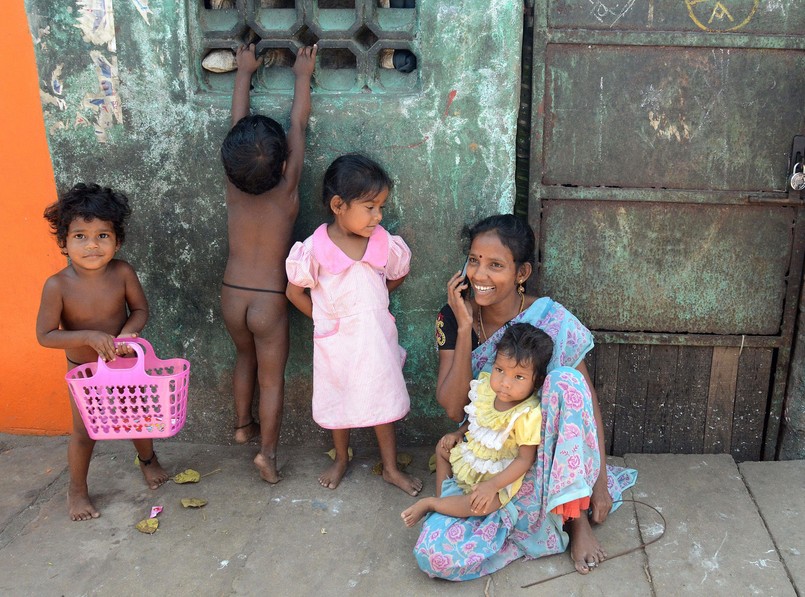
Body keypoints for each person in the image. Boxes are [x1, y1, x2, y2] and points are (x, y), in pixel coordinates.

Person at [414, 214, 638, 579]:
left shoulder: (550, 319)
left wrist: (598, 485)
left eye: (495, 265)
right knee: (434, 558)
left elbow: (583, 403)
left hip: (541, 460)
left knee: (565, 380)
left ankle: (574, 519)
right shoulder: (452, 316)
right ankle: (527, 524)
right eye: (473, 261)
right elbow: (455, 407)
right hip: (486, 457)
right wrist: (466, 326)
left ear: (521, 273)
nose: (479, 276)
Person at [285, 154, 422, 496]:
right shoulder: (314, 249)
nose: (378, 216)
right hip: (336, 342)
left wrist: (377, 303)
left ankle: (390, 467)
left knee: (383, 399)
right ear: (338, 205)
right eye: (371, 207)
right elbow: (293, 292)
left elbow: (397, 274)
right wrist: (325, 318)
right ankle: (341, 457)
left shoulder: (382, 243)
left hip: (375, 338)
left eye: (381, 207)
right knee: (339, 397)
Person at [35, 183, 168, 521]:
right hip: (86, 375)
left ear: (117, 240)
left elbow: (139, 310)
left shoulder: (122, 272)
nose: (92, 244)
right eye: (80, 236)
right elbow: (45, 336)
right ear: (63, 242)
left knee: (137, 420)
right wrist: (91, 336)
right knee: (84, 433)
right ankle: (77, 489)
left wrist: (127, 332)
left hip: (124, 366)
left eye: (102, 236)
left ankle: (148, 461)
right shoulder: (57, 285)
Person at [220, 43, 316, 483]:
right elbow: (298, 121)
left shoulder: (232, 183)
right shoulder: (287, 186)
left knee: (244, 358)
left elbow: (237, 126)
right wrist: (301, 75)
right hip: (269, 300)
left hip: (232, 293)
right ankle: (268, 456)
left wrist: (244, 73)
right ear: (282, 165)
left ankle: (242, 426)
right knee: (272, 380)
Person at [402, 324, 552, 526]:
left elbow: (525, 460)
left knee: (482, 505)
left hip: (497, 475)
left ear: (538, 381)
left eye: (519, 377)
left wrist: (492, 485)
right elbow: (477, 420)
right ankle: (443, 500)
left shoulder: (527, 414)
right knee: (442, 448)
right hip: (474, 455)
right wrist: (458, 433)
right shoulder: (487, 389)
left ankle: (432, 504)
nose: (505, 383)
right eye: (500, 370)